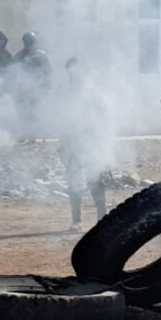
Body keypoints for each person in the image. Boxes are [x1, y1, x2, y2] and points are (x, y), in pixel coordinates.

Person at [59, 57, 109, 228]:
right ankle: (76, 220)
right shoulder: (65, 93)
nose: (74, 73)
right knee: (73, 180)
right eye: (71, 69)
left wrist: (100, 139)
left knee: (96, 179)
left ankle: (102, 219)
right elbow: (61, 117)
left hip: (91, 140)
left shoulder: (93, 92)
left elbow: (103, 115)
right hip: (72, 141)